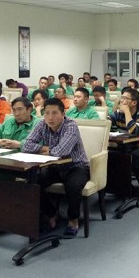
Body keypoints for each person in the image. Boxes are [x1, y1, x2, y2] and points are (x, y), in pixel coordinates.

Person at [22, 98, 89, 239]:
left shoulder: (71, 126)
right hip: (54, 166)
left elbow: (61, 151)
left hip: (76, 166)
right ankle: (51, 213)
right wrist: (44, 148)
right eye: (47, 113)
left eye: (54, 113)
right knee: (32, 182)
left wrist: (44, 149)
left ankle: (73, 220)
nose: (50, 117)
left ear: (63, 114)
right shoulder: (42, 124)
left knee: (73, 187)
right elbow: (26, 145)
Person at [109, 88, 139, 198]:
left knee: (134, 157)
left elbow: (133, 131)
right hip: (124, 145)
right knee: (110, 155)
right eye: (121, 97)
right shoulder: (118, 113)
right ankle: (124, 188)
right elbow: (105, 124)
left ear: (134, 103)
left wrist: (127, 112)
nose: (121, 101)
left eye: (125, 98)